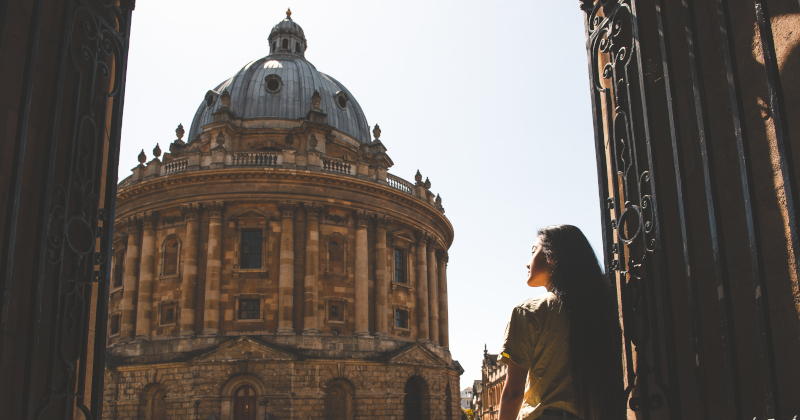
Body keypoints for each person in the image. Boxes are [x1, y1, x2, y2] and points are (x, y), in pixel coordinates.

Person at [497, 225, 624, 420]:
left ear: (552, 257)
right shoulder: (602, 312)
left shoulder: (529, 311)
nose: (527, 263)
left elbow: (513, 394)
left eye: (533, 251)